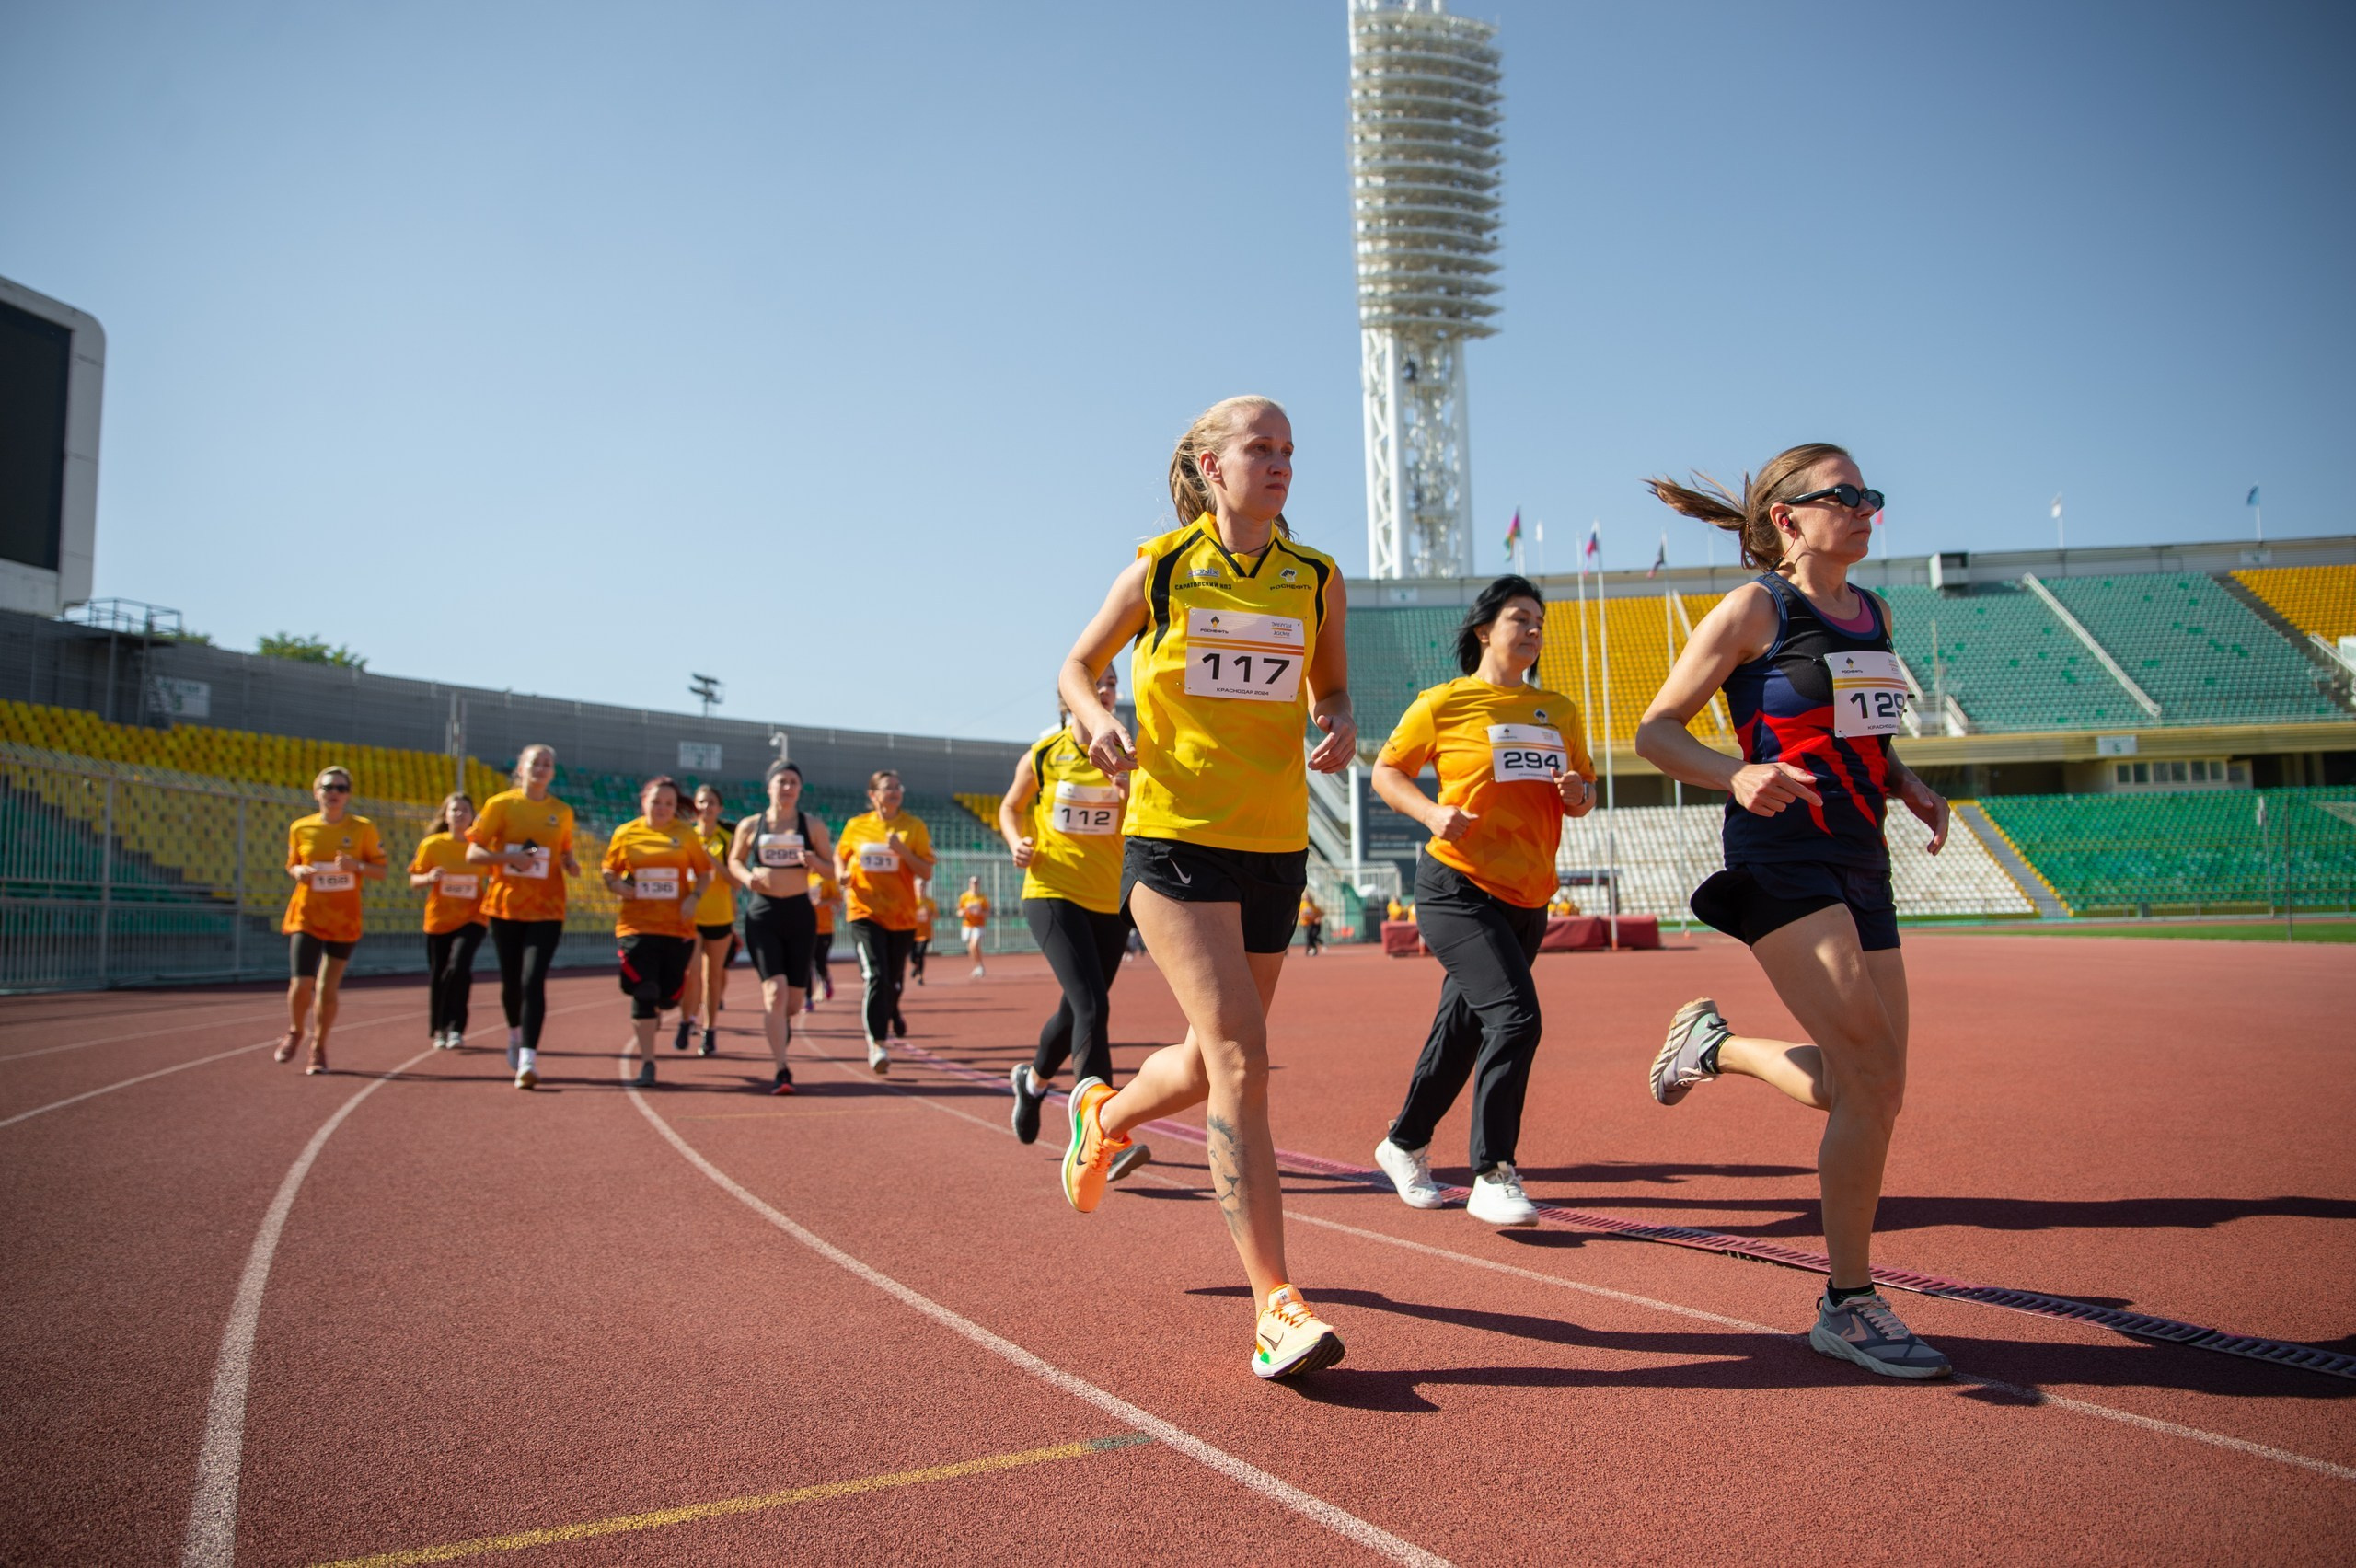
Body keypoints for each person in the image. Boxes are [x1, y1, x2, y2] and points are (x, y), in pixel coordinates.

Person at [1635, 443, 1954, 1380]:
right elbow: (1654, 731)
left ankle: (1714, 1047)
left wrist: (1906, 780)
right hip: (1781, 854)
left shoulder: (1876, 612)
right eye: (1843, 497)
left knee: (1877, 1085)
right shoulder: (1754, 610)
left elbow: (1858, 729)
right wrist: (1735, 773)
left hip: (1863, 854)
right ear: (1788, 518)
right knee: (1865, 1074)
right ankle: (1847, 1304)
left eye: (1870, 496)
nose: (1863, 511)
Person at [1053, 394, 1355, 1380]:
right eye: (1258, 449)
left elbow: (1331, 686)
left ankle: (1103, 1118)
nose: (1278, 463)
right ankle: (1277, 1306)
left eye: (1288, 451)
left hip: (1273, 844)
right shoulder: (1164, 566)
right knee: (1240, 1056)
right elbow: (1077, 664)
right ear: (1209, 467)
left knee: (1204, 1057)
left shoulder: (1315, 579)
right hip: (1174, 837)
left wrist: (1339, 721)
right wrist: (1095, 721)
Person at [1369, 574, 1598, 1226]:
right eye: (1519, 618)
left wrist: (1577, 794)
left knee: (1464, 1029)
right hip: (1456, 885)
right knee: (1517, 1019)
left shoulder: (1559, 709)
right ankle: (1493, 1172)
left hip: (1528, 894)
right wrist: (1431, 814)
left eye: (1538, 621)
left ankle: (1404, 1142)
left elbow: (1582, 795)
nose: (1533, 629)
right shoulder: (1444, 703)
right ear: (1484, 631)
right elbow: (1388, 770)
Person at [996, 672, 1149, 1181]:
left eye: (1110, 683)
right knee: (1092, 1005)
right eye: (1095, 682)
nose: (1104, 691)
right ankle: (1100, 1132)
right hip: (1052, 891)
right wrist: (1016, 840)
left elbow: (1142, 822)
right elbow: (1010, 806)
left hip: (1108, 900)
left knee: (1074, 1008)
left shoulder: (1130, 753)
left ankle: (1033, 1082)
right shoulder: (1044, 754)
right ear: (1069, 698)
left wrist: (1128, 790)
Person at [468, 744, 579, 1090]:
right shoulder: (501, 805)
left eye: (548, 764)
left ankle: (529, 1057)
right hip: (507, 905)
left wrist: (569, 863)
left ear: (553, 772)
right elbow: (473, 853)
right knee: (512, 980)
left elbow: (563, 852)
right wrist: (507, 858)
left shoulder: (561, 811)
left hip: (547, 908)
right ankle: (515, 1033)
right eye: (535, 762)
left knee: (534, 979)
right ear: (521, 767)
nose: (541, 768)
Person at [728, 760, 835, 1094]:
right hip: (764, 914)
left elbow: (832, 869)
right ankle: (782, 1069)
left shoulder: (813, 826)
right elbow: (734, 860)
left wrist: (816, 863)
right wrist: (748, 878)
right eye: (781, 782)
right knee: (774, 992)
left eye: (793, 782)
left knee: (792, 1001)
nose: (787, 788)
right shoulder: (750, 825)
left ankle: (783, 1024)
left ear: (800, 789)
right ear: (769, 786)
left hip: (801, 914)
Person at [600, 776, 712, 1090]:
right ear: (644, 802)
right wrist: (618, 885)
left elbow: (704, 873)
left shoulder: (684, 835)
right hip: (636, 925)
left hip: (676, 927)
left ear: (676, 808)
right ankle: (647, 1062)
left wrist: (694, 897)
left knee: (668, 997)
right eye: (656, 802)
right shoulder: (626, 833)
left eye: (669, 804)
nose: (662, 808)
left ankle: (663, 1008)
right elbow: (608, 870)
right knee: (644, 990)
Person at [275, 765, 388, 1074]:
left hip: (343, 918)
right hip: (307, 914)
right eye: (328, 787)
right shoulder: (301, 828)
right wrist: (298, 872)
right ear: (317, 793)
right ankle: (296, 1030)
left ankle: (319, 1046)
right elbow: (292, 864)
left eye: (340, 788)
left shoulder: (362, 828)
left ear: (348, 794)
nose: (333, 793)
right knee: (301, 984)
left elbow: (381, 870)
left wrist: (356, 866)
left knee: (326, 988)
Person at [834, 769, 935, 1073]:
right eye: (888, 788)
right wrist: (842, 874)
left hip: (902, 916)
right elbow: (840, 856)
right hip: (865, 910)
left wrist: (902, 850)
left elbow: (926, 871)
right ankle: (877, 1044)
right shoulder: (856, 826)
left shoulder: (913, 826)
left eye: (898, 788)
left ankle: (891, 1010)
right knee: (876, 975)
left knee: (893, 981)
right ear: (873, 794)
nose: (894, 792)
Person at [410, 792, 489, 1050]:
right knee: (440, 973)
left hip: (473, 918)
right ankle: (439, 1028)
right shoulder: (432, 845)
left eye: (464, 810)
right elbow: (414, 880)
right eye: (454, 810)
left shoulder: (479, 847)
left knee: (459, 966)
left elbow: (497, 872)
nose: (459, 815)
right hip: (439, 919)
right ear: (445, 815)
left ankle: (456, 1027)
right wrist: (430, 878)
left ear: (472, 816)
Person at [675, 783, 736, 1057]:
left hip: (720, 915)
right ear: (694, 806)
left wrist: (713, 861)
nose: (706, 807)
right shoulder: (686, 835)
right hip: (691, 915)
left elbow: (736, 881)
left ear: (719, 808)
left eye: (712, 802)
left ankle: (710, 1030)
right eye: (702, 802)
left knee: (713, 977)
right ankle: (686, 1020)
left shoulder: (727, 837)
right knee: (692, 973)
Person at [808, 870, 840, 1007]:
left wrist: (822, 903)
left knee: (819, 962)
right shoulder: (801, 876)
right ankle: (808, 998)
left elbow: (838, 899)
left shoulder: (827, 877)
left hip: (824, 928)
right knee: (806, 963)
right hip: (805, 928)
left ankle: (825, 979)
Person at [957, 875, 991, 976]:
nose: (974, 884)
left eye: (976, 882)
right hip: (967, 925)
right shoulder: (964, 897)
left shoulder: (982, 898)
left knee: (974, 944)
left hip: (978, 924)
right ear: (969, 883)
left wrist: (979, 912)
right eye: (972, 882)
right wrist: (963, 912)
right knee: (971, 948)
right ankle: (977, 966)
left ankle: (979, 966)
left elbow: (988, 913)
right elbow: (959, 911)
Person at [908, 883, 936, 992]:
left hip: (925, 933)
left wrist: (929, 913)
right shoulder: (911, 900)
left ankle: (920, 977)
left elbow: (936, 915)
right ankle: (916, 967)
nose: (921, 888)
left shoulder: (929, 902)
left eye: (923, 886)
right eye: (919, 886)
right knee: (912, 956)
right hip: (912, 933)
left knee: (920, 954)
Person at [1297, 892, 1323, 956]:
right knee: (1309, 936)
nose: (1307, 899)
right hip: (1305, 923)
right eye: (1306, 897)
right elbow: (1298, 912)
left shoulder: (1312, 905)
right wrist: (1301, 915)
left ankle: (1311, 949)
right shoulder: (1302, 904)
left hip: (1311, 923)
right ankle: (1311, 948)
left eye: (1308, 897)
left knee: (1310, 936)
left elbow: (1320, 912)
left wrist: (1318, 918)